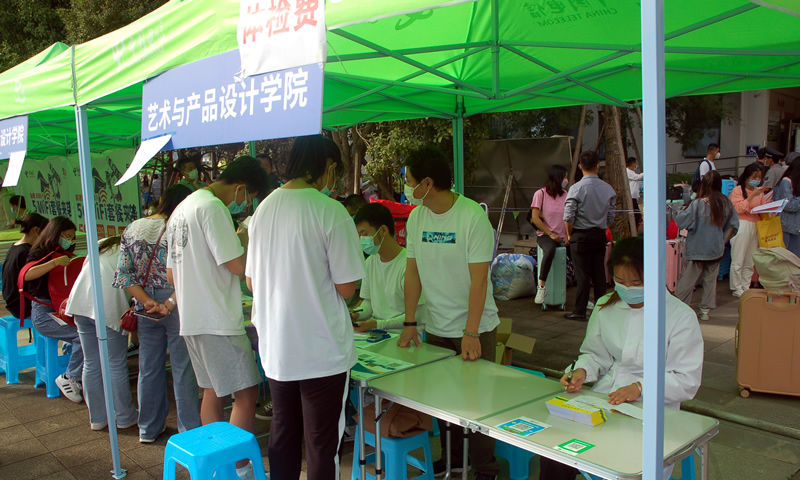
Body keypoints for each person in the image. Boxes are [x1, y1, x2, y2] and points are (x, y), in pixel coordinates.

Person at [246, 135, 363, 480]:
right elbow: (346, 287)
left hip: (277, 347)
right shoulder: (331, 211)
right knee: (321, 444)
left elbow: (252, 283)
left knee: (283, 435)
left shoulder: (264, 208)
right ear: (328, 167)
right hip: (322, 350)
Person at [540, 236, 704, 480]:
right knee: (555, 447)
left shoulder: (679, 317)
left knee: (626, 460)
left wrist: (639, 388)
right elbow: (595, 354)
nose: (627, 288)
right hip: (605, 398)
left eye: (636, 282)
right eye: (620, 281)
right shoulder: (606, 306)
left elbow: (686, 379)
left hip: (654, 408)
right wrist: (582, 371)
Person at [156, 156, 267, 480]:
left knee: (211, 392)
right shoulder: (213, 208)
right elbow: (237, 265)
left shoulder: (182, 209)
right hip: (218, 319)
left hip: (191, 318)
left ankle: (218, 465)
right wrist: (246, 237)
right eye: (247, 198)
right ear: (241, 188)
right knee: (246, 393)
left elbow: (171, 275)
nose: (244, 205)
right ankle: (240, 468)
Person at [398, 145, 500, 480]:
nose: (406, 186)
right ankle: (455, 462)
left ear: (427, 183)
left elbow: (479, 281)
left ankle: (485, 469)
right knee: (443, 403)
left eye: (409, 180)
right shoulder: (416, 217)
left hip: (476, 327)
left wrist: (471, 332)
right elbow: (412, 273)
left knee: (477, 405)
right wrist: (410, 322)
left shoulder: (471, 217)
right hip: (437, 326)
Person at [113, 184, 200, 443]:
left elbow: (124, 275)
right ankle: (188, 431)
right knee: (183, 368)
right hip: (176, 300)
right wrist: (168, 301)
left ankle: (148, 428)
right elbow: (188, 273)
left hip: (143, 303)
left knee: (148, 367)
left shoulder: (133, 228)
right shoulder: (179, 226)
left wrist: (147, 301)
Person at [67, 237, 138, 431]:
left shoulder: (104, 242)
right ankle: (124, 416)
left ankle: (97, 418)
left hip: (81, 303)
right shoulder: (132, 249)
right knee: (115, 363)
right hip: (107, 306)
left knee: (91, 362)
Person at [23, 216, 84, 402]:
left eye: (73, 238)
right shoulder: (40, 253)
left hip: (61, 310)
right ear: (55, 234)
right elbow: (26, 274)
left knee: (84, 329)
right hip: (43, 313)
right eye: (66, 236)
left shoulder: (64, 254)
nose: (70, 241)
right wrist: (54, 263)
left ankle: (71, 361)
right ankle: (70, 377)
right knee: (83, 335)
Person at [351, 202, 425, 339]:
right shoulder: (370, 262)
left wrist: (379, 324)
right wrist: (356, 314)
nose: (361, 239)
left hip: (405, 338)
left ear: (383, 231)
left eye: (364, 233)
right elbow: (368, 302)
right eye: (358, 235)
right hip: (375, 336)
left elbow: (419, 314)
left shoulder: (409, 264)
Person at [674, 172, 739, 320]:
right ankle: (705, 311)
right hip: (716, 247)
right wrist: (722, 241)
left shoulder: (697, 204)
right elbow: (734, 225)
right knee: (710, 280)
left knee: (688, 280)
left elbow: (680, 221)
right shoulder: (726, 203)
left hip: (697, 246)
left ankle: (678, 306)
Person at [563, 151, 616, 321]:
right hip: (599, 235)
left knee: (583, 275)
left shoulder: (576, 188)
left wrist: (570, 234)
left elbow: (568, 216)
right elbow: (610, 217)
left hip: (580, 235)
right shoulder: (608, 189)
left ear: (580, 166)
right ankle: (602, 310)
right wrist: (602, 227)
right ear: (598, 166)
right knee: (599, 273)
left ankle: (580, 310)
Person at [729, 163, 772, 297]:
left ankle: (745, 285)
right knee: (738, 258)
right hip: (742, 224)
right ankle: (736, 287)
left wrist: (771, 209)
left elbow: (763, 208)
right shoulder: (737, 190)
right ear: (747, 177)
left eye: (759, 177)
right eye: (755, 177)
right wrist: (752, 195)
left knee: (750, 259)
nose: (757, 180)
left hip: (756, 225)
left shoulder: (760, 192)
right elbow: (738, 209)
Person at [529, 165, 569, 305]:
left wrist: (568, 236)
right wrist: (551, 234)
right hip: (546, 235)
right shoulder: (540, 194)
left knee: (580, 253)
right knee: (550, 249)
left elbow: (569, 217)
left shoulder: (565, 194)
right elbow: (535, 218)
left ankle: (583, 296)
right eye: (564, 177)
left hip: (564, 235)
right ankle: (541, 287)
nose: (566, 180)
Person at [2, 213, 49, 319]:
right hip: (22, 306)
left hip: (12, 302)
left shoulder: (14, 247)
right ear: (36, 230)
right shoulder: (27, 252)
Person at [774, 163, 800, 258]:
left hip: (796, 227)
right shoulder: (786, 182)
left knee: (795, 260)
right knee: (784, 258)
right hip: (785, 226)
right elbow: (788, 205)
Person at [626, 157, 644, 228]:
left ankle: (634, 229)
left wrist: (638, 196)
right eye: (635, 163)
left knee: (637, 214)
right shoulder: (627, 172)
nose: (636, 165)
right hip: (631, 197)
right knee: (636, 214)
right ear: (633, 164)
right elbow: (637, 177)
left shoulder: (632, 172)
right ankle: (632, 229)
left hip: (634, 196)